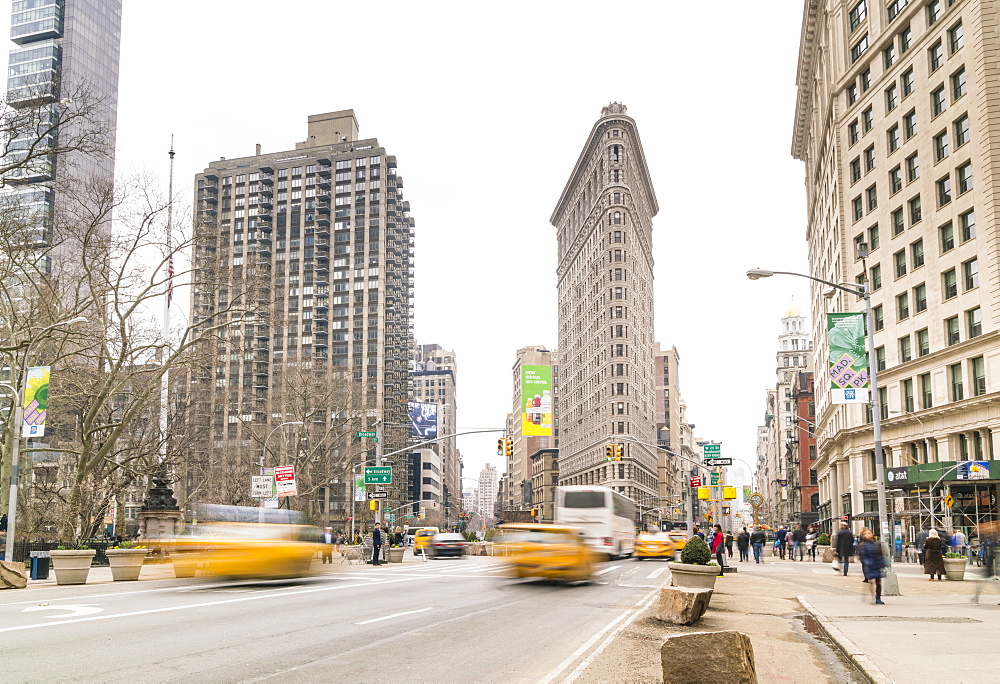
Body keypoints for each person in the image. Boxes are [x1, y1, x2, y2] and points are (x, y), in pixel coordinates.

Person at [858, 528, 887, 605]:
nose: (868, 535)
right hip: (869, 566)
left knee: (878, 582)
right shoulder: (863, 545)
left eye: (869, 533)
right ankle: (873, 596)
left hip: (877, 564)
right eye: (865, 534)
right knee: (871, 581)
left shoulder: (876, 543)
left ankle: (878, 597)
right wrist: (867, 563)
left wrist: (883, 563)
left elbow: (880, 554)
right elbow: (863, 556)